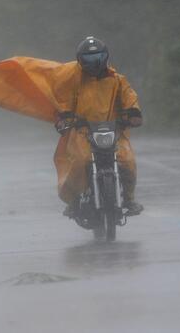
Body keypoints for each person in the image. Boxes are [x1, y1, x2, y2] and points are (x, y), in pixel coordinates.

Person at [56, 36, 144, 222]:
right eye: (88, 59)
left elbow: (129, 96)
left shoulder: (117, 80)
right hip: (83, 133)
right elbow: (64, 102)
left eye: (97, 57)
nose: (93, 63)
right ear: (80, 60)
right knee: (79, 161)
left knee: (127, 161)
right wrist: (64, 117)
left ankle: (128, 199)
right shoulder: (74, 81)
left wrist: (133, 112)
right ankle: (74, 200)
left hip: (114, 131)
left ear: (105, 57)